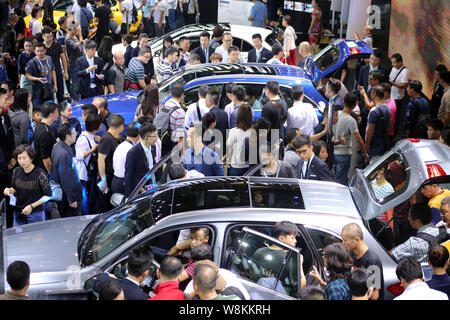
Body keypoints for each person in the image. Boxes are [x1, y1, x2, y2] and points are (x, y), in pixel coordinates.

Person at [3, 144, 51, 225]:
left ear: (31, 158)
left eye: (24, 158)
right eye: (19, 158)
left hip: (35, 213)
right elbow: (14, 189)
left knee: (36, 236)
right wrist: (9, 190)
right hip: (19, 211)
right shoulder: (16, 171)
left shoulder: (40, 173)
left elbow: (48, 195)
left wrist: (31, 206)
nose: (21, 161)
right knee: (18, 236)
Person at [253, 221, 306, 291]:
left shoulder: (259, 251)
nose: (295, 241)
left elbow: (252, 274)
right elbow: (301, 286)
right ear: (281, 238)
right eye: (292, 238)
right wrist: (299, 263)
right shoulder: (290, 259)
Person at [333, 93, 369, 186]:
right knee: (341, 181)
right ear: (355, 105)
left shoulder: (336, 114)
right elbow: (359, 139)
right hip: (344, 154)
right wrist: (365, 153)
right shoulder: (351, 120)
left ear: (343, 102)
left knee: (336, 177)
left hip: (333, 151)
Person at [341, 223, 384, 300]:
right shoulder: (354, 255)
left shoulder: (372, 260)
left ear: (356, 240)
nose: (343, 243)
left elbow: (375, 295)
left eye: (345, 240)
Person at [51, 123, 83, 217]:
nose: (76, 134)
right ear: (67, 136)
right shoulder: (64, 153)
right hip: (67, 197)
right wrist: (71, 199)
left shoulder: (57, 146)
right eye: (74, 133)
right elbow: (66, 179)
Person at [74, 112, 101, 215]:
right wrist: (92, 149)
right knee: (84, 199)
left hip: (89, 174)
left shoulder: (92, 136)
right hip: (83, 174)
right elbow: (79, 156)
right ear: (96, 127)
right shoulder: (83, 139)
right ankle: (85, 216)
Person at [97, 114, 124, 211]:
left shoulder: (113, 138)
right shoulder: (106, 139)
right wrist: (103, 179)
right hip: (108, 178)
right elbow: (100, 160)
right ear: (121, 126)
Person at [124, 123, 158, 199]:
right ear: (146, 138)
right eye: (155, 135)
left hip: (151, 187)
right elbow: (129, 176)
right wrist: (128, 197)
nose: (157, 138)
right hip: (140, 191)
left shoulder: (153, 147)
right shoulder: (133, 152)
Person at [155, 84, 185, 157]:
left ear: (171, 94)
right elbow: (180, 135)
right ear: (182, 96)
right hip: (172, 145)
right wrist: (182, 153)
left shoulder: (161, 106)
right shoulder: (180, 112)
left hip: (159, 140)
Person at [25, 42, 57, 110]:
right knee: (39, 110)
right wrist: (37, 79)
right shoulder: (32, 62)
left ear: (45, 50)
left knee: (50, 108)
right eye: (38, 51)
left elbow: (53, 71)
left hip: (49, 88)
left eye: (42, 51)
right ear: (34, 51)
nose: (40, 53)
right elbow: (28, 76)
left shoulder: (49, 58)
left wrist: (55, 85)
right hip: (38, 91)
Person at [112, 122, 140, 195]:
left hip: (115, 181)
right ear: (139, 135)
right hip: (125, 184)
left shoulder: (120, 146)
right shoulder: (132, 150)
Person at [41, 26, 68, 104]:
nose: (50, 39)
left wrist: (65, 72)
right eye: (47, 37)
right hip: (46, 75)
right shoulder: (41, 48)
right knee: (48, 97)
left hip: (58, 73)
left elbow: (63, 58)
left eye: (51, 36)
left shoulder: (57, 46)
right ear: (43, 37)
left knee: (61, 96)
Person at [365, 85, 391, 159]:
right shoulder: (388, 109)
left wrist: (367, 143)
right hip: (382, 141)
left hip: (374, 143)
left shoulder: (374, 111)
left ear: (374, 94)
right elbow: (389, 126)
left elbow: (370, 130)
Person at [226, 103, 253, 176]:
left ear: (238, 117)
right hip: (250, 167)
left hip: (235, 166)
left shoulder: (233, 131)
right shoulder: (254, 132)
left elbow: (229, 149)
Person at [33, 102, 58, 174]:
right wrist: (52, 174)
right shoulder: (45, 132)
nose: (58, 114)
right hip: (44, 170)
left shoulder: (40, 125)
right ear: (51, 115)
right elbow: (45, 158)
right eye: (56, 112)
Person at [389, 53, 410, 138]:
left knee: (396, 118)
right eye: (392, 63)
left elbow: (404, 85)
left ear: (400, 62)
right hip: (391, 96)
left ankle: (394, 134)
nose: (393, 65)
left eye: (395, 63)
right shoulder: (394, 68)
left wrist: (393, 83)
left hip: (398, 98)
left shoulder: (405, 71)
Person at [65, 16, 84, 101]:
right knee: (75, 83)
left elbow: (80, 47)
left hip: (79, 62)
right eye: (75, 29)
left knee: (79, 82)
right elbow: (75, 46)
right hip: (73, 64)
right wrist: (80, 37)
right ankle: (74, 100)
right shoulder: (68, 39)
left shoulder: (74, 37)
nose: (77, 30)